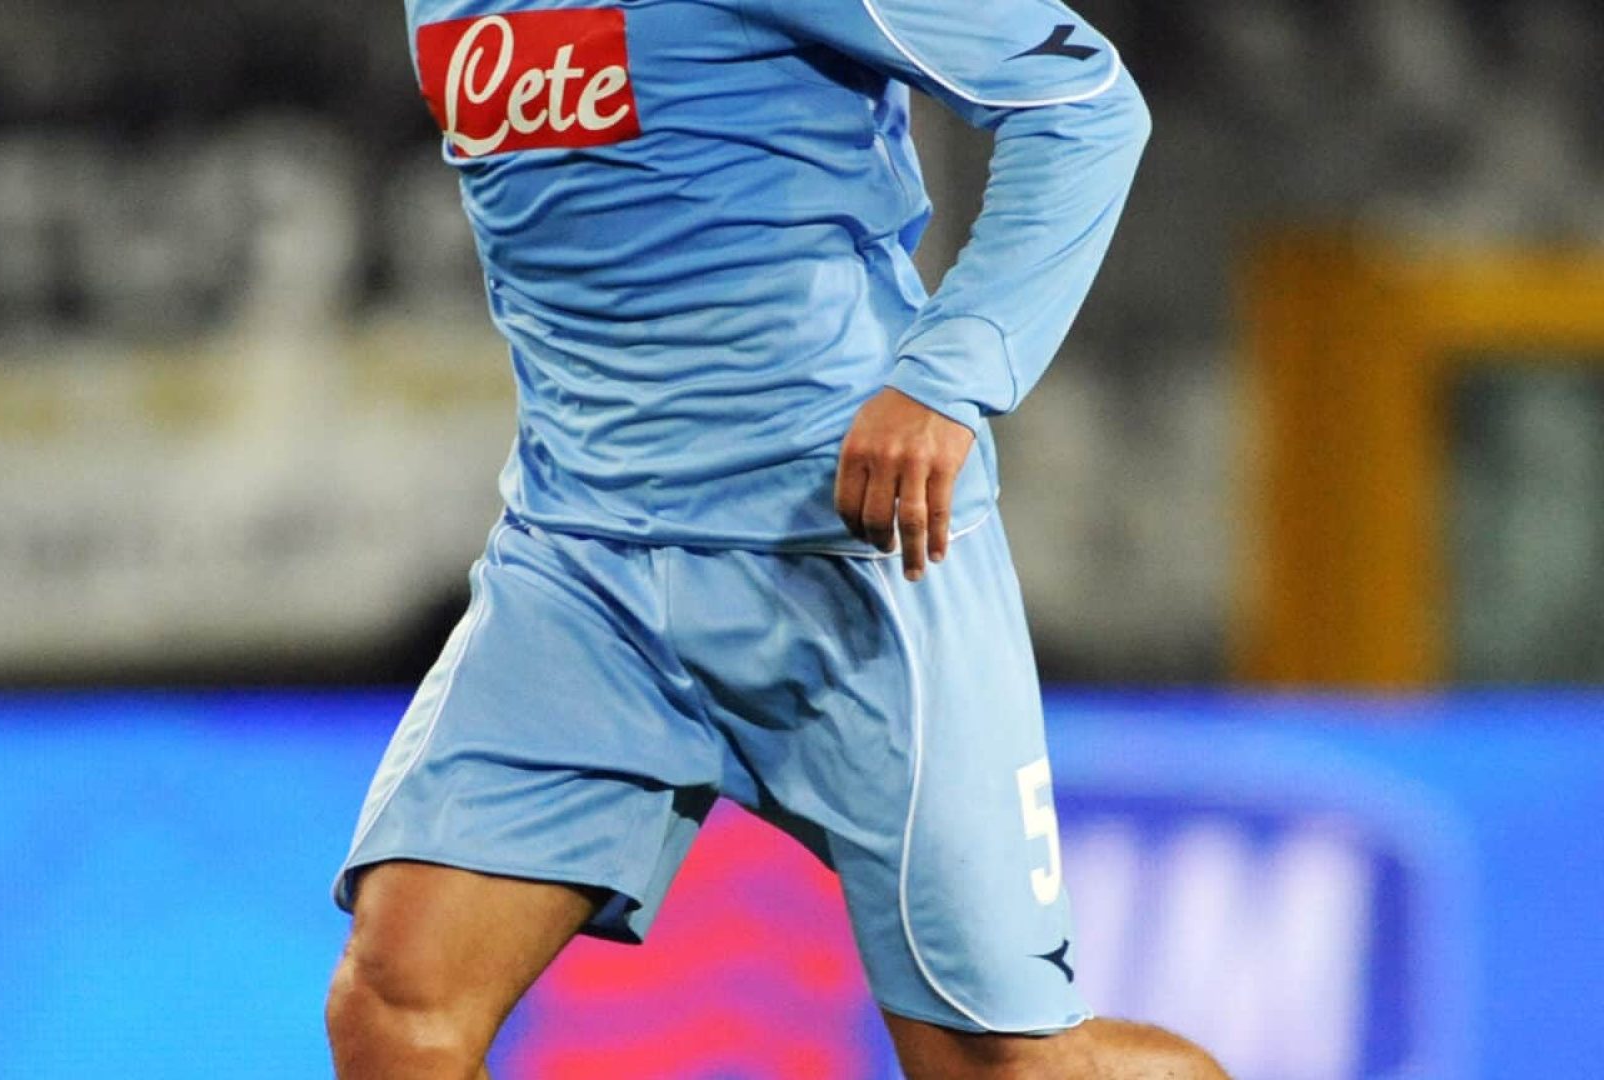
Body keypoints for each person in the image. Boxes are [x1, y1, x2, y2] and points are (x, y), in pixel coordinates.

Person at [328, 0, 1229, 1076]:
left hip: (846, 551)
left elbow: (1080, 101)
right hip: (582, 566)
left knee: (1003, 1065)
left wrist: (948, 378)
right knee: (397, 1009)